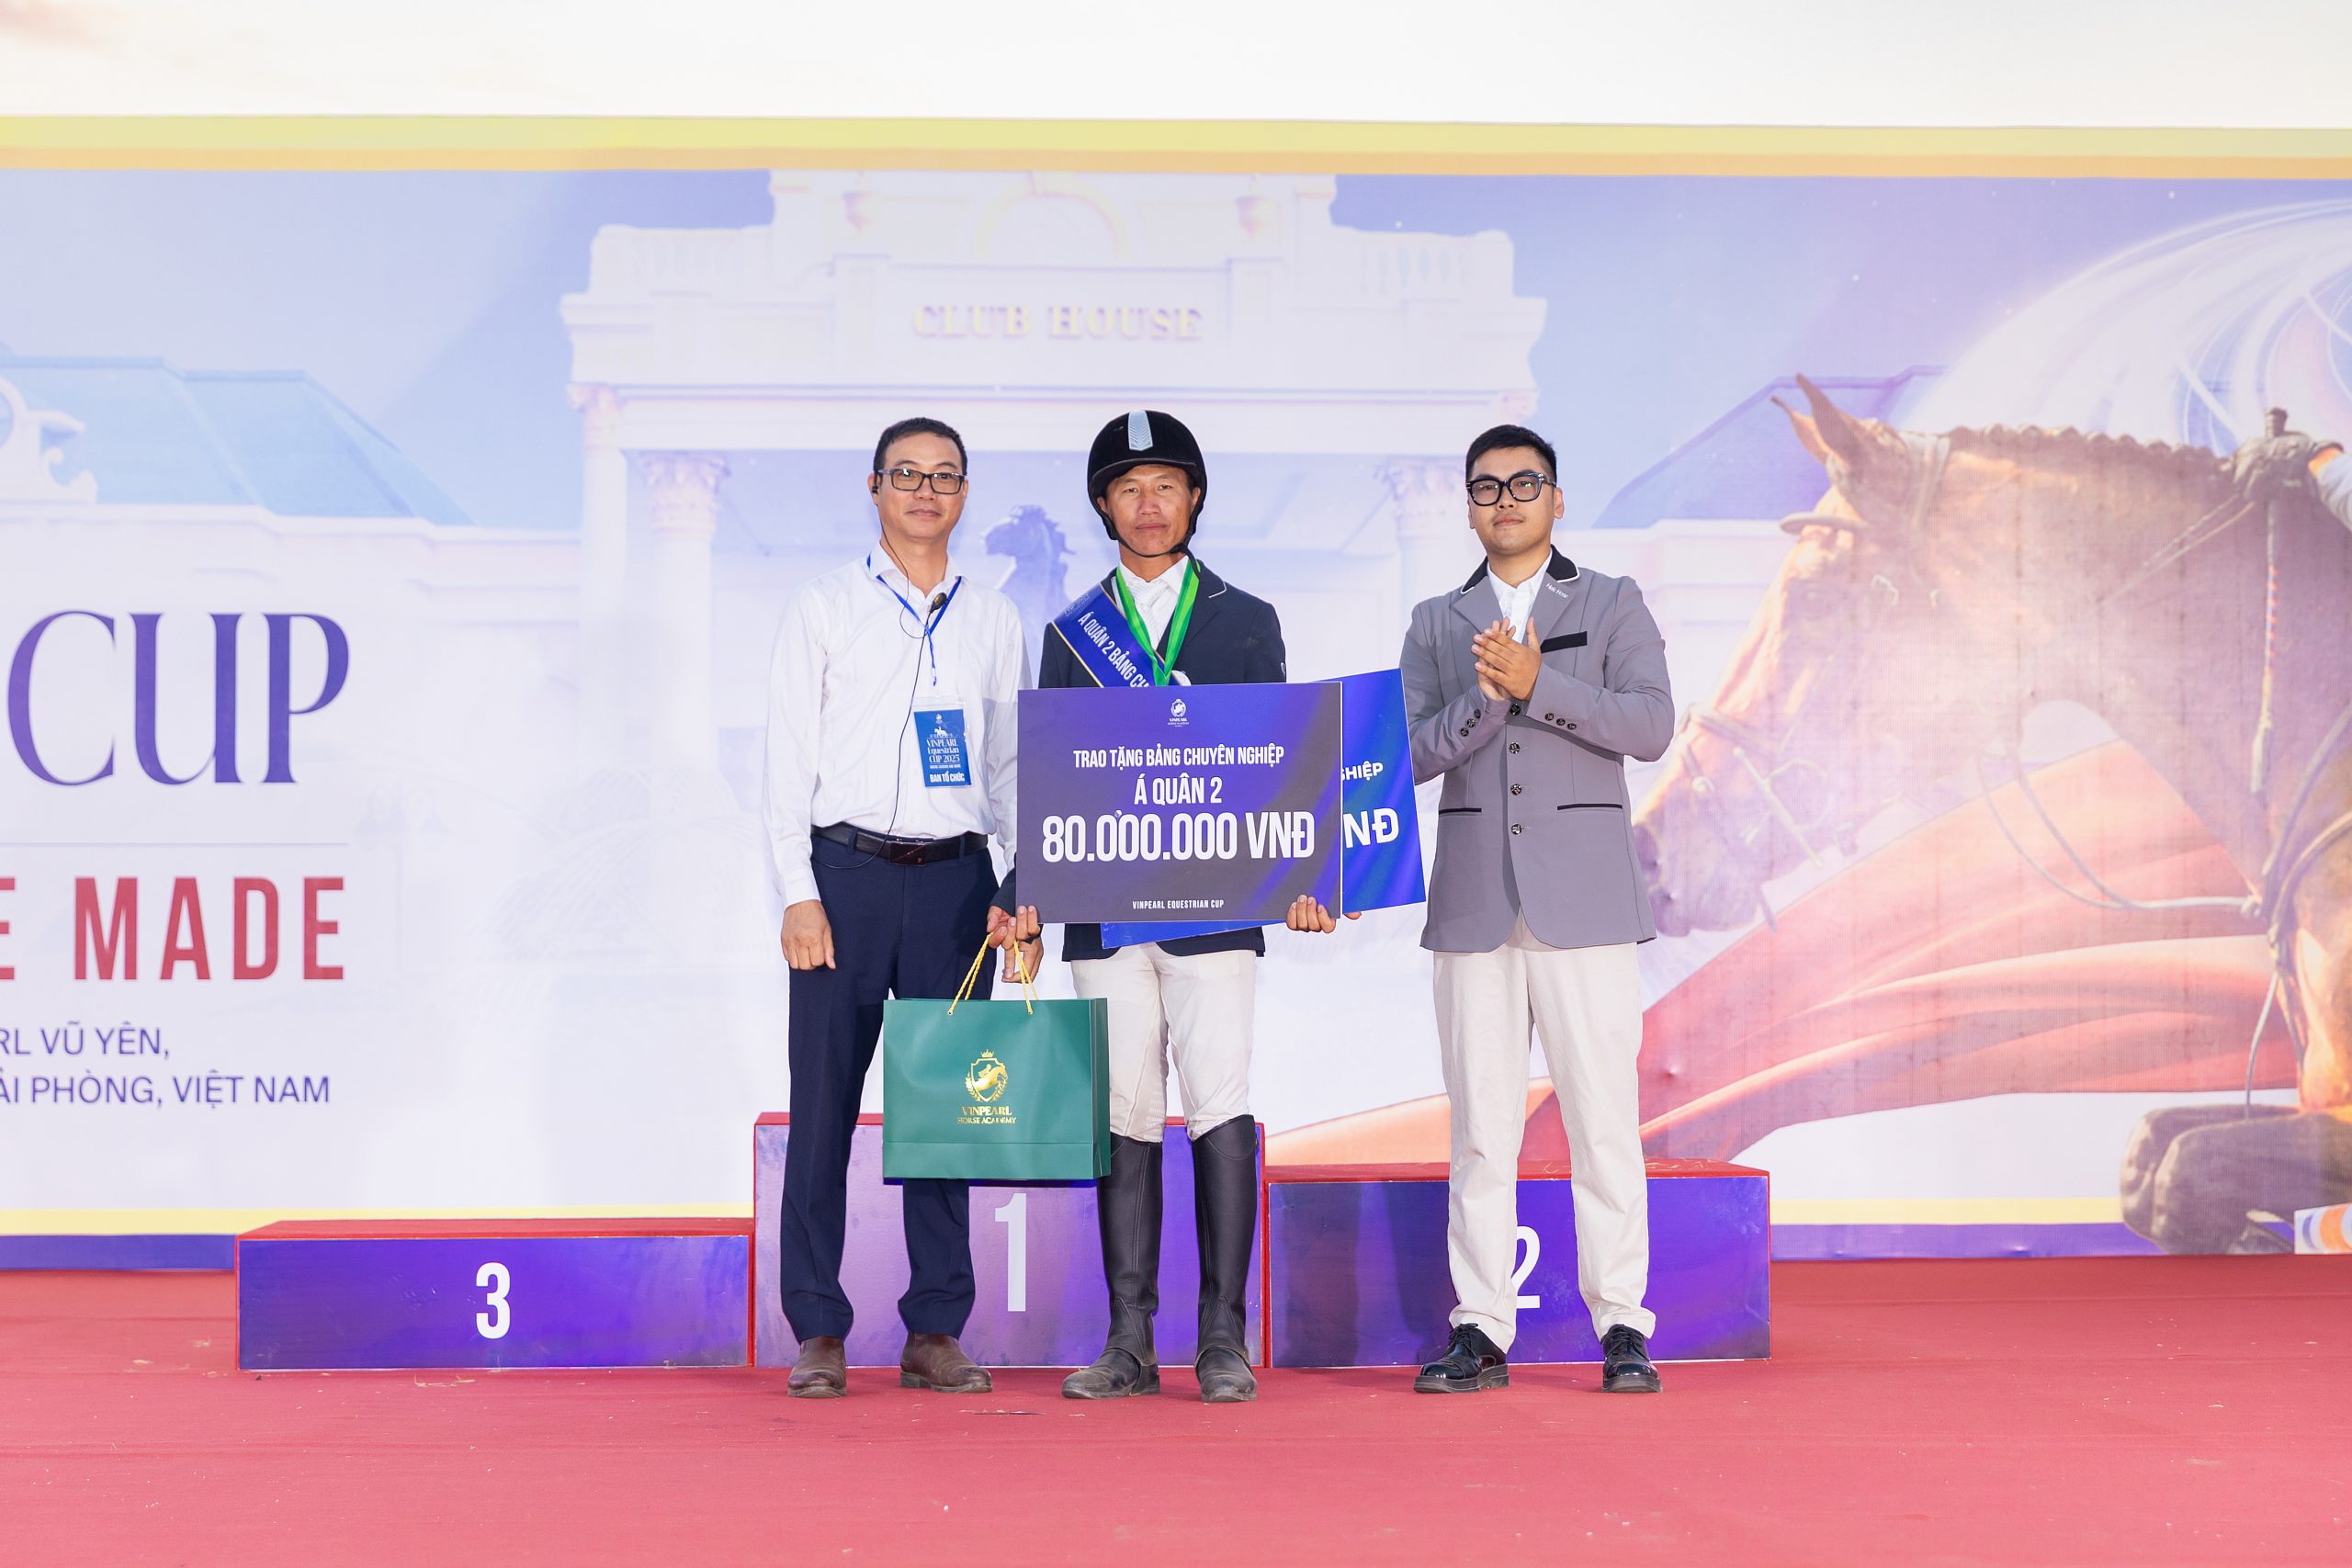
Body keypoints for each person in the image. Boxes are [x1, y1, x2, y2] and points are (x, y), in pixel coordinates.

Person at [1290, 423, 1674, 1394]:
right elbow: (1405, 754)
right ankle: (1480, 1328)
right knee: (1478, 1129)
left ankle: (1623, 1324)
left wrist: (1541, 683)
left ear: (1556, 498)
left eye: (1523, 484)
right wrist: (1487, 702)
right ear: (1467, 507)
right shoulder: (1435, 621)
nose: (1504, 501)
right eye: (1486, 488)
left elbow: (1650, 723)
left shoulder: (1612, 601)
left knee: (1603, 1122)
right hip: (1472, 905)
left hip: (1586, 905)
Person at [763, 415, 1043, 1400]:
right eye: (907, 474)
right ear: (875, 487)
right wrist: (798, 893)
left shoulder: (993, 619)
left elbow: (1010, 765)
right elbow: (785, 762)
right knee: (823, 1109)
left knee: (946, 1112)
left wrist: (1023, 885)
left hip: (958, 885)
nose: (926, 491)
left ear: (965, 494)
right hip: (843, 880)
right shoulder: (824, 606)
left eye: (945, 476)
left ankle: (935, 1328)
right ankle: (817, 1328)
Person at [1037, 410, 1285, 1404]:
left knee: (1219, 1103)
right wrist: (1026, 896)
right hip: (1104, 909)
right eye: (1129, 488)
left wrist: (1303, 874)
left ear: (1194, 499)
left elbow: (1278, 767)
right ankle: (1128, 1341)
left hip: (1214, 907)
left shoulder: (1246, 619)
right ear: (1104, 505)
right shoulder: (1072, 633)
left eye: (1166, 486)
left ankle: (1222, 1338)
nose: (1149, 505)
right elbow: (1051, 778)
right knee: (1124, 1113)